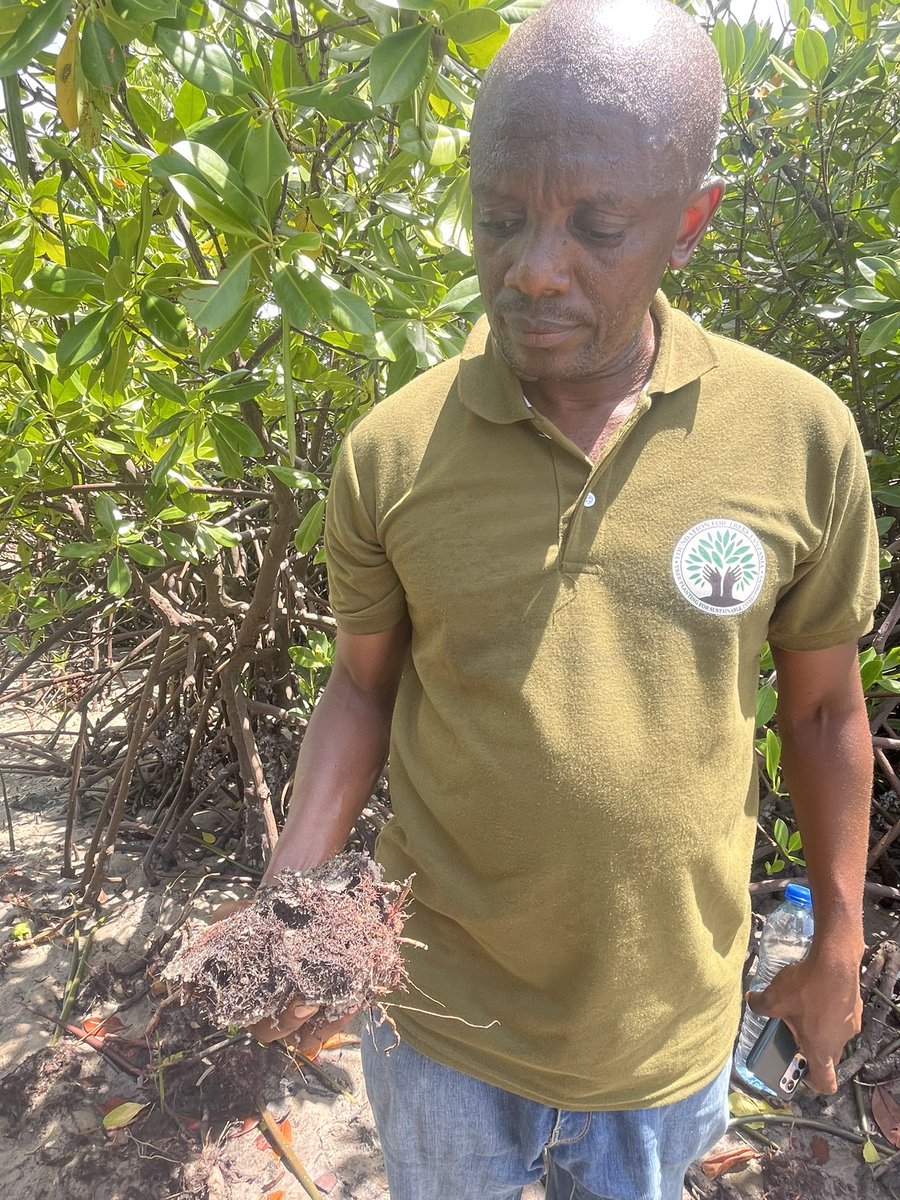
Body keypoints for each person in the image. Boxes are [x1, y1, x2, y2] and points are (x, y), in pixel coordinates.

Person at [253, 1, 880, 1196]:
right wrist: (293, 901)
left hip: (660, 1033)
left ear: (690, 223)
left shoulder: (796, 434)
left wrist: (841, 937)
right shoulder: (394, 452)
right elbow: (360, 685)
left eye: (597, 225)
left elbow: (822, 714)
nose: (534, 267)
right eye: (500, 217)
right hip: (435, 1022)